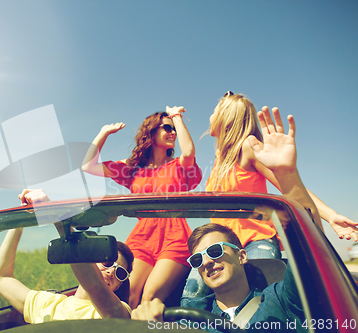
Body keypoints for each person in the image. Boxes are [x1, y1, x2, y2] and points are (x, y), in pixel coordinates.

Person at [131, 107, 320, 332]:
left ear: (240, 255)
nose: (206, 261)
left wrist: (287, 174)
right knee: (191, 295)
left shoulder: (277, 300)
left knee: (265, 276)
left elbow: (308, 244)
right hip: (224, 237)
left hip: (257, 237)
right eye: (197, 260)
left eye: (214, 252)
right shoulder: (191, 319)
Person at [182, 93, 358, 300]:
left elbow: (287, 183)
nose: (210, 116)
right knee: (192, 295)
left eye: (214, 112)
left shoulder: (247, 146)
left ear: (226, 116)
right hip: (222, 244)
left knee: (261, 297)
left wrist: (331, 216)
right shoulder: (221, 157)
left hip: (256, 240)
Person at [81, 106, 202, 308]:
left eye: (174, 128)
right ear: (151, 131)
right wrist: (103, 133)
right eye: (166, 127)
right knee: (128, 297)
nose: (172, 132)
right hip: (142, 238)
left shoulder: (178, 167)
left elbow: (188, 151)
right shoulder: (133, 169)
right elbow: (88, 166)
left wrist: (176, 117)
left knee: (150, 297)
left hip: (175, 237)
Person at [0, 189, 133, 322]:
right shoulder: (48, 303)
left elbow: (95, 286)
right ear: (92, 259)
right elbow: (0, 277)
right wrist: (20, 220)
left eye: (120, 272)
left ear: (119, 285)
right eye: (107, 263)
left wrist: (56, 215)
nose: (111, 271)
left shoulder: (119, 313)